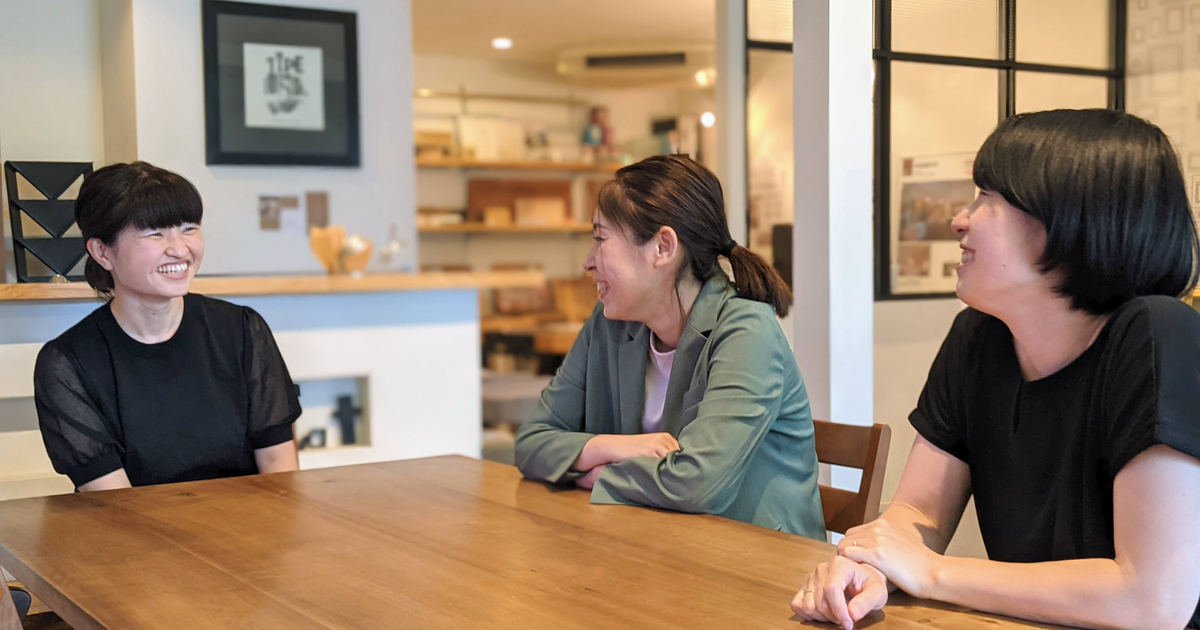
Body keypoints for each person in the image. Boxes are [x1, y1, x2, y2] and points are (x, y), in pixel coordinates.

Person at [792, 109, 1200, 630]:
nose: (960, 220)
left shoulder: (1158, 334)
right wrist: (872, 565)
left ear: (1068, 218)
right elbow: (920, 515)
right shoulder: (979, 337)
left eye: (987, 198)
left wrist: (932, 573)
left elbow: (1153, 600)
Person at [514, 154, 824, 539]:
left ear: (663, 246)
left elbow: (697, 484)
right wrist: (615, 447)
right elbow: (532, 443)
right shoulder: (609, 324)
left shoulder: (748, 332)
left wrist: (597, 475)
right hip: (657, 546)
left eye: (600, 239)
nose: (587, 261)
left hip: (760, 562)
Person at [34, 161, 302, 491]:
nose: (179, 249)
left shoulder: (243, 330)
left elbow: (279, 468)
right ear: (102, 252)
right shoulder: (67, 364)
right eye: (155, 233)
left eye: (188, 228)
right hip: (134, 524)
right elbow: (115, 504)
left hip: (253, 520)